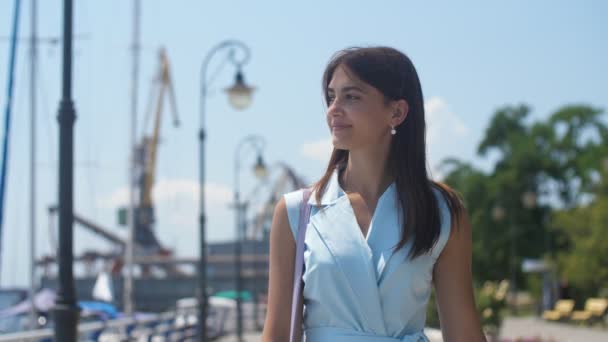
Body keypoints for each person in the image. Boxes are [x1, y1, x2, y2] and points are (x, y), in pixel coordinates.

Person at [262, 47, 485, 342]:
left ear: (397, 112)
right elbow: (276, 333)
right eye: (331, 97)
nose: (334, 109)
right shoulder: (296, 212)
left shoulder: (442, 211)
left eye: (351, 96)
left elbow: (464, 333)